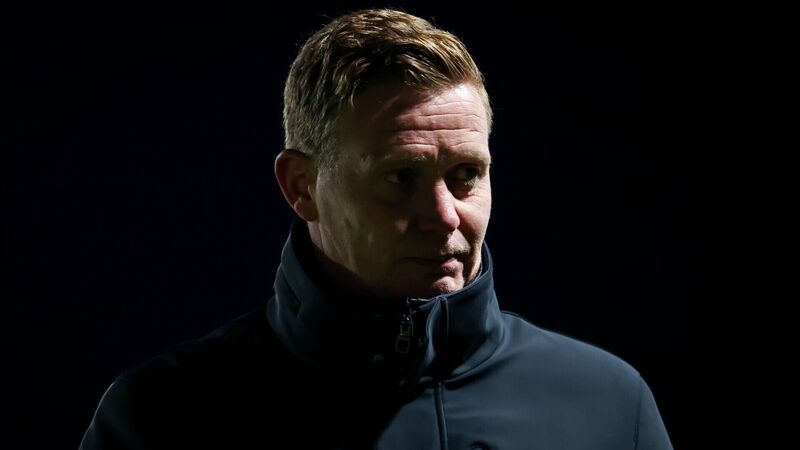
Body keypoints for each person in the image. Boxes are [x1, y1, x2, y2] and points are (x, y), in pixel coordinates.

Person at [80, 8, 673, 450]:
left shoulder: (611, 406)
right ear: (301, 186)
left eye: (466, 175)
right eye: (399, 178)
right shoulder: (163, 419)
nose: (445, 216)